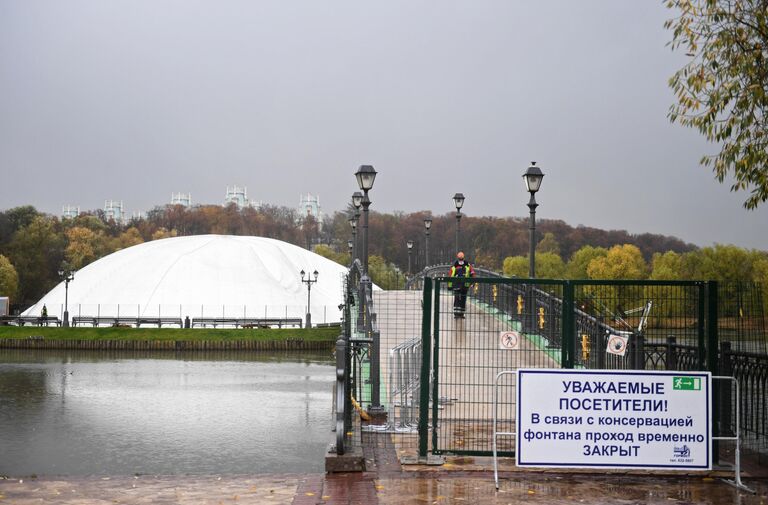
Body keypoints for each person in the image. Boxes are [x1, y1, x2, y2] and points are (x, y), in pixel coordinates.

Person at [448, 251, 475, 318]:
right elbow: (472, 273)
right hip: (465, 285)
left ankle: (457, 313)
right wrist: (472, 282)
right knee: (463, 298)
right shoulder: (468, 265)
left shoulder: (454, 265)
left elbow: (450, 275)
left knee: (457, 298)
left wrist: (450, 286)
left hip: (457, 284)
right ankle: (461, 313)